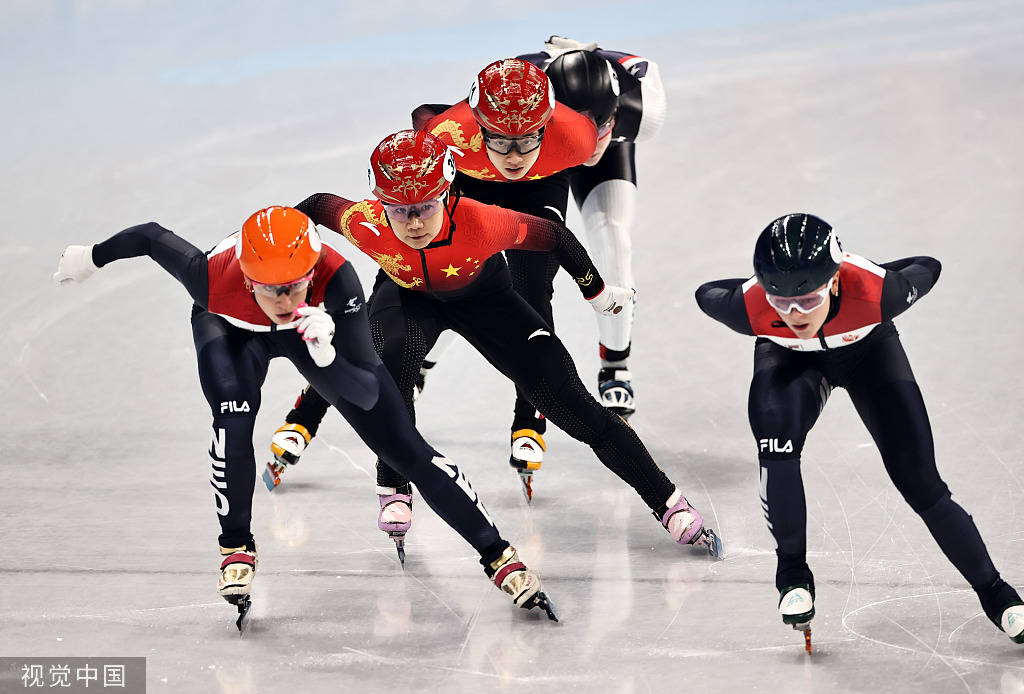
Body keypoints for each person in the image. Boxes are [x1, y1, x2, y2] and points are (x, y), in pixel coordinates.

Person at [52, 205, 557, 628]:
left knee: (403, 446)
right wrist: (90, 258)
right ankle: (236, 548)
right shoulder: (209, 276)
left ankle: (497, 553)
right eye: (271, 289)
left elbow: (362, 391)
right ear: (246, 278)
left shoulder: (339, 281)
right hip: (229, 330)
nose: (284, 301)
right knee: (232, 422)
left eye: (295, 287)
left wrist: (327, 355)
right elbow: (148, 236)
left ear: (312, 270)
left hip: (321, 336)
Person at [283, 129, 723, 559]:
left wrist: (598, 291)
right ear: (380, 203)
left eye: (426, 206)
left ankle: (667, 501)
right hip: (407, 301)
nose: (414, 222)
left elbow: (554, 236)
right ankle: (393, 483)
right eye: (398, 210)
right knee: (391, 367)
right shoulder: (363, 221)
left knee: (569, 402)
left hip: (486, 302)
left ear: (448, 191)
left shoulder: (482, 220)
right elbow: (314, 208)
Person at [273, 57, 602, 499]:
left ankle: (530, 415)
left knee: (533, 289)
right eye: (500, 139)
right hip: (469, 182)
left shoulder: (576, 136)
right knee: (393, 291)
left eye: (526, 140)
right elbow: (421, 125)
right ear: (478, 126)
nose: (513, 155)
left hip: (538, 190)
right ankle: (308, 411)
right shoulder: (448, 135)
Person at [694, 212, 1023, 648]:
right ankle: (792, 574)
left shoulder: (878, 293)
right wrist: (768, 288)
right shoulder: (749, 306)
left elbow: (928, 265)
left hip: (869, 353)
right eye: (781, 302)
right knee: (775, 440)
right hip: (792, 361)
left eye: (806, 301)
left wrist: (865, 269)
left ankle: (998, 596)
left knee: (921, 483)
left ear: (833, 282)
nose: (794, 315)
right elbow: (705, 294)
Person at [517, 36, 667, 420]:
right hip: (540, 144)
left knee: (613, 240)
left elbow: (638, 62)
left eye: (600, 127)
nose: (587, 145)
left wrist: (590, 54)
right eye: (577, 130)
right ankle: (426, 359)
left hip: (574, 137)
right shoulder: (519, 95)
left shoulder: (644, 110)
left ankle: (615, 363)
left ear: (616, 112)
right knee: (496, 253)